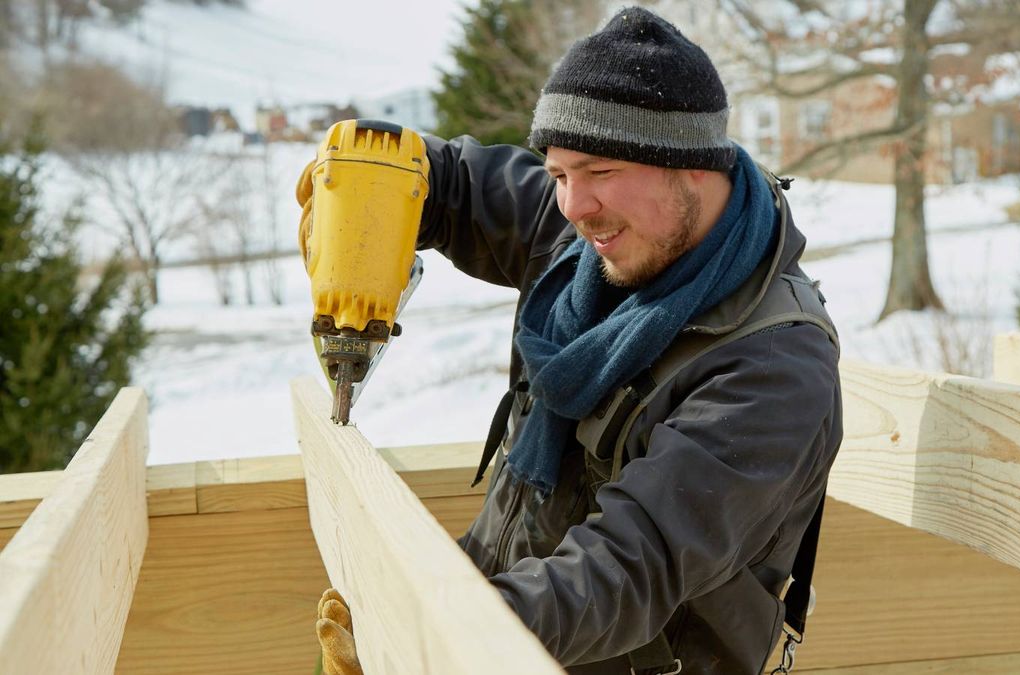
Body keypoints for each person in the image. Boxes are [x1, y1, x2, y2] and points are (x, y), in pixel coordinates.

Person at [307, 7, 842, 674]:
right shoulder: (594, 240)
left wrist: (432, 631)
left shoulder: (775, 366)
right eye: (558, 174)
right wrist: (381, 171)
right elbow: (454, 183)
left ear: (695, 167)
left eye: (599, 171)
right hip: (499, 622)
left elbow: (626, 567)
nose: (571, 205)